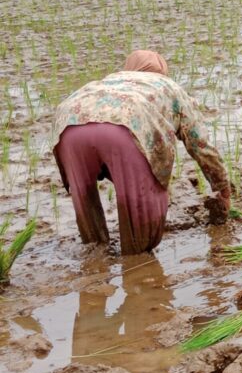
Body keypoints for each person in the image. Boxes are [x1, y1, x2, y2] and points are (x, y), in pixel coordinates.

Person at [51, 50, 231, 255]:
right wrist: (222, 188)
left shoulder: (110, 80)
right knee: (139, 223)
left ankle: (95, 256)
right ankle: (136, 263)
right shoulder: (169, 87)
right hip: (126, 128)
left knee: (85, 202)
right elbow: (201, 146)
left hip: (69, 127)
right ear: (163, 71)